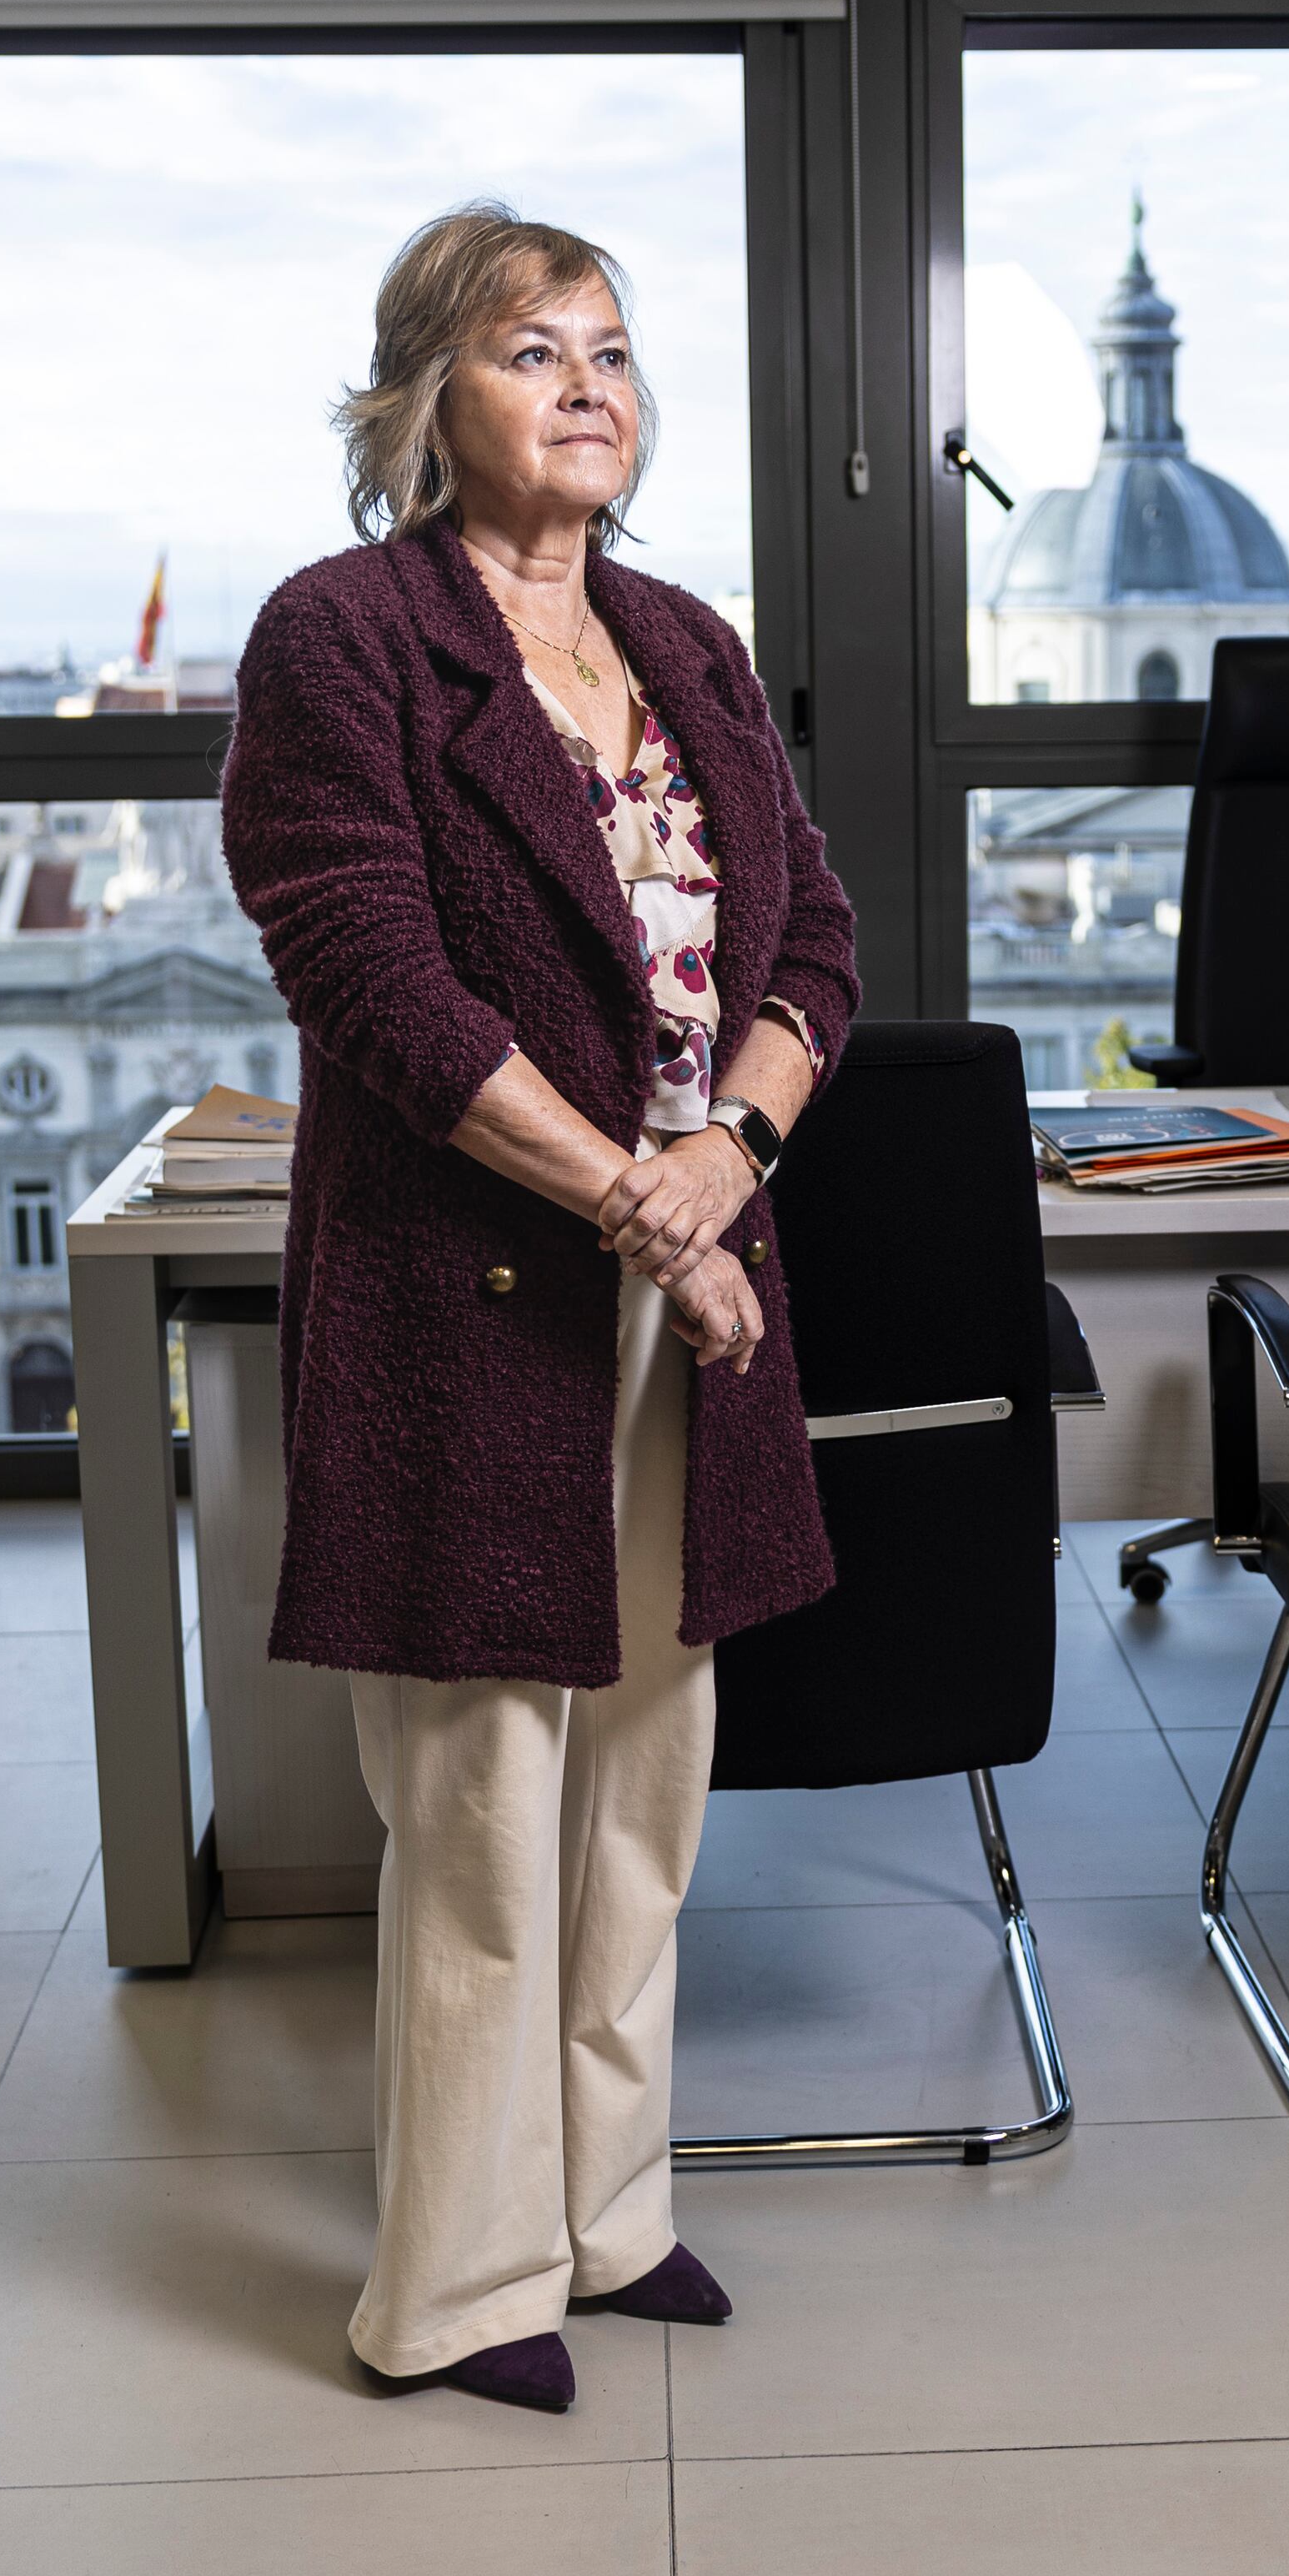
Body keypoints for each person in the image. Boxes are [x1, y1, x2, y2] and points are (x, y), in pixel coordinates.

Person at [220, 204, 860, 2414]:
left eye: (609, 346)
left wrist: (732, 1166)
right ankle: (463, 2284)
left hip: (692, 1269)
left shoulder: (688, 640)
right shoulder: (344, 639)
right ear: (425, 399)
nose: (586, 383)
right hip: (482, 1282)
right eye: (527, 349)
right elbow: (377, 986)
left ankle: (609, 2213)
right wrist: (645, 1211)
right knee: (486, 1803)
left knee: (647, 1784)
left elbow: (819, 954)